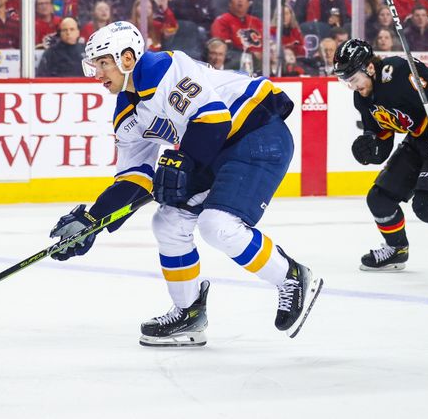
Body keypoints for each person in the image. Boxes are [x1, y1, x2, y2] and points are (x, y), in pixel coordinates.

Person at [47, 21, 323, 346]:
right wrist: (93, 219)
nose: (96, 73)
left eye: (103, 63)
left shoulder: (162, 68)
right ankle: (189, 312)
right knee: (167, 223)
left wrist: (182, 160)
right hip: (214, 149)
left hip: (257, 133)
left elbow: (214, 118)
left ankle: (290, 275)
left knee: (217, 225)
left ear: (126, 58)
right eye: (92, 65)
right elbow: (136, 177)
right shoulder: (126, 112)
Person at [333, 39, 428, 272]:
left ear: (370, 68)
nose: (351, 86)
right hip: (418, 140)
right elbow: (382, 140)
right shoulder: (363, 99)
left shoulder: (398, 72)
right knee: (379, 199)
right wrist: (371, 147)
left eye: (353, 79)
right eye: (345, 81)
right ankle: (397, 250)